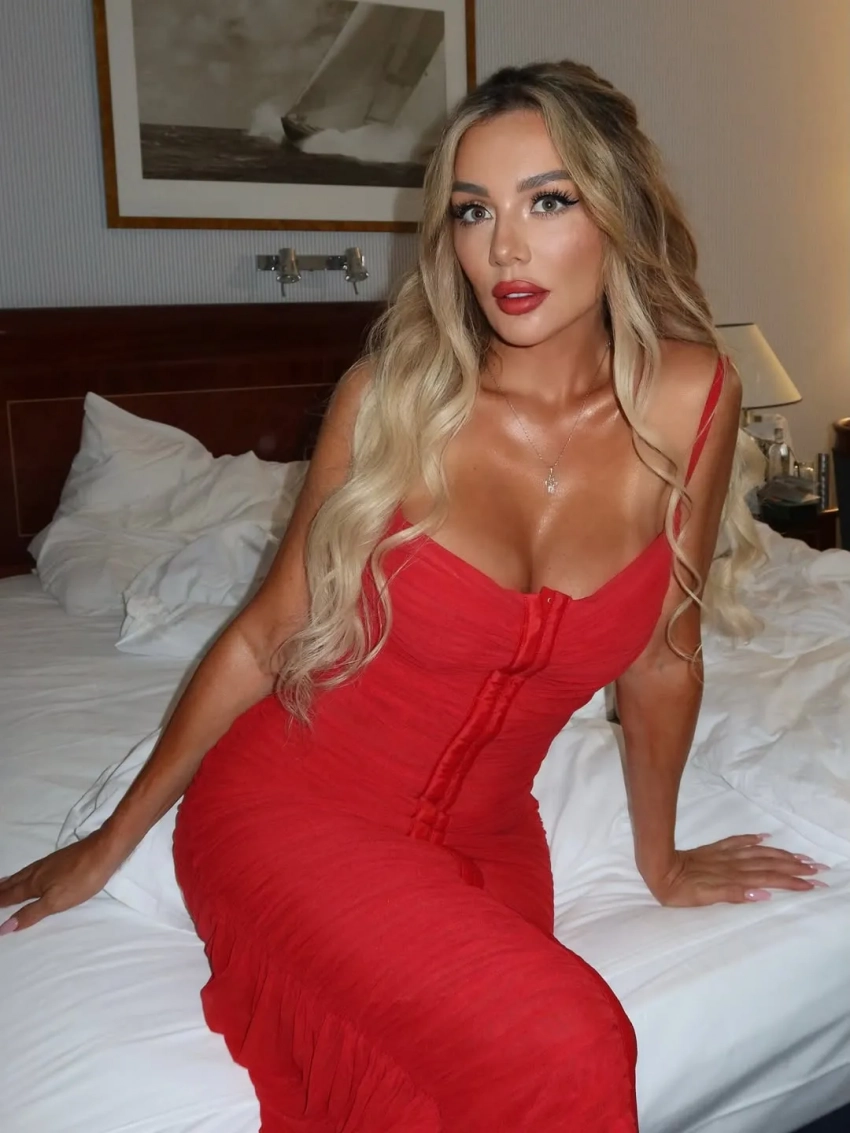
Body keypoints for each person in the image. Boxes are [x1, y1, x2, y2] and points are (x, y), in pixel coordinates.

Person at [0, 60, 824, 1132]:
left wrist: (658, 860)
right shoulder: (391, 401)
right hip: (293, 811)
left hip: (491, 838)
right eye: (474, 211)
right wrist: (112, 841)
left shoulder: (693, 395)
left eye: (548, 201)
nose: (504, 249)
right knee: (571, 1040)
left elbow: (664, 656)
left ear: (617, 212)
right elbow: (265, 636)